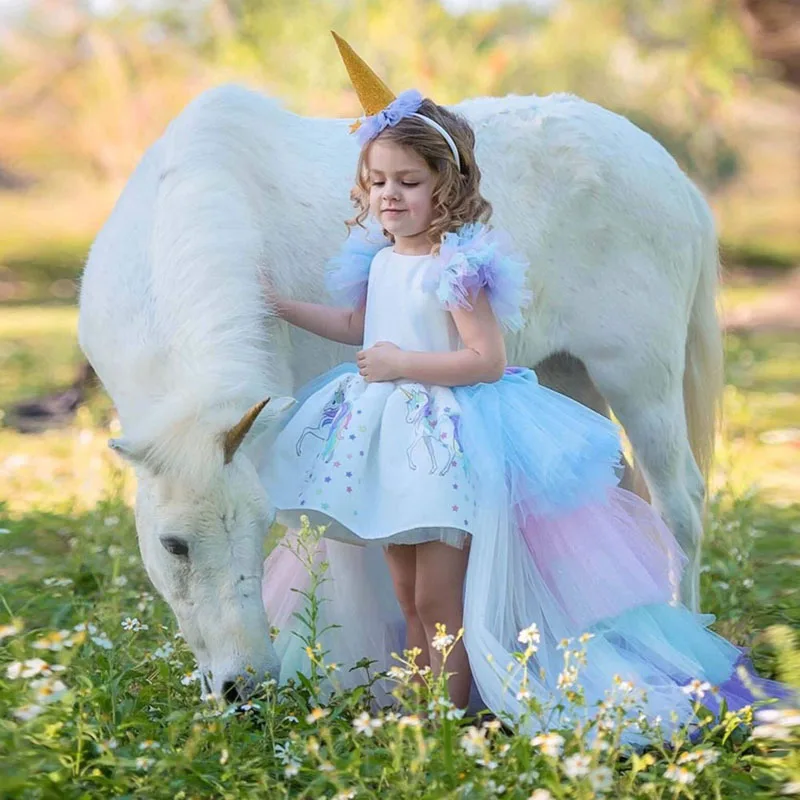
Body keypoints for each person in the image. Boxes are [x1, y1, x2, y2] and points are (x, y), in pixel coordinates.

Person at [259, 32, 786, 738]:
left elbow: (484, 358)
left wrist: (400, 365)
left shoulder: (458, 267)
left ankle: (446, 717)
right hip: (389, 445)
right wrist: (282, 306)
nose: (390, 197)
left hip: (443, 446)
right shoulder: (378, 260)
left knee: (442, 597)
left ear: (444, 187)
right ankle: (421, 709)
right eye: (378, 182)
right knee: (408, 591)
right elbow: (356, 320)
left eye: (408, 183)